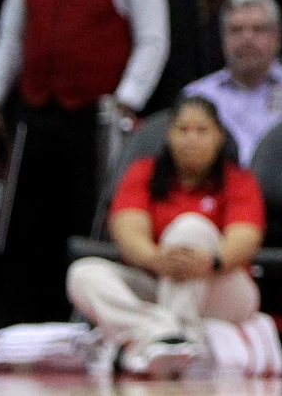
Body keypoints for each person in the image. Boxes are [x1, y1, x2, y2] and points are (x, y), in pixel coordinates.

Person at [0, 0, 170, 323]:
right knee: (22, 220)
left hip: (94, 116)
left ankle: (79, 320)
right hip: (36, 110)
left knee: (85, 219)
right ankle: (18, 319)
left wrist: (128, 99)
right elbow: (11, 36)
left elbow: (153, 40)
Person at [66, 96, 264, 377]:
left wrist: (212, 261)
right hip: (159, 280)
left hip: (224, 286)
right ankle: (165, 334)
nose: (191, 139)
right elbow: (127, 228)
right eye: (182, 130)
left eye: (201, 131)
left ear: (219, 136)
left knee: (191, 228)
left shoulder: (239, 179)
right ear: (169, 135)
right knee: (83, 274)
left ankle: (164, 337)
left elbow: (244, 238)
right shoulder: (142, 173)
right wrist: (156, 258)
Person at [184, 0, 282, 160]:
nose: (247, 39)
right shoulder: (198, 96)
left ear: (277, 37)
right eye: (236, 30)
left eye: (258, 29)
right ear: (222, 38)